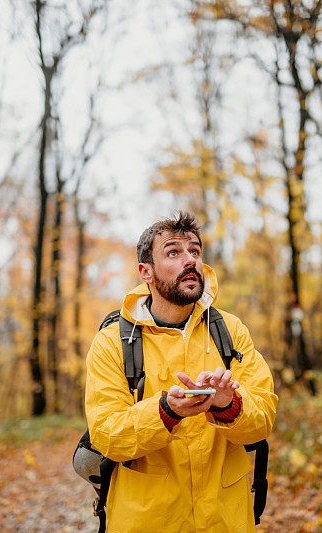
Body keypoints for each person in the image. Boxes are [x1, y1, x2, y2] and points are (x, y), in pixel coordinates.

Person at [84, 212, 278, 533]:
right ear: (146, 272)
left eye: (195, 251)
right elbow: (107, 435)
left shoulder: (230, 330)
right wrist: (166, 411)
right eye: (173, 252)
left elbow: (262, 420)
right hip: (146, 522)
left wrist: (230, 406)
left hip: (225, 521)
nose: (189, 260)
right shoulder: (111, 343)